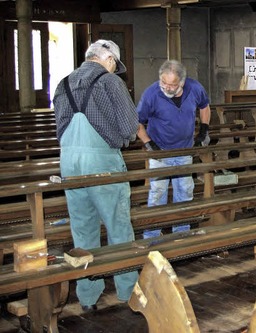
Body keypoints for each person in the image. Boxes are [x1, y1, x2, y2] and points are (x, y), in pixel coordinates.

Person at [52, 39, 139, 312]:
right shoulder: (111, 82)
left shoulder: (62, 83)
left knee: (82, 228)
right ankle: (128, 291)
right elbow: (130, 128)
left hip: (68, 161)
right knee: (118, 226)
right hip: (101, 160)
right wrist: (120, 140)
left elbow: (59, 128)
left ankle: (87, 295)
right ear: (110, 60)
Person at [137, 60, 211, 239]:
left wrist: (204, 130)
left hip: (184, 150)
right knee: (158, 193)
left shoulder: (194, 88)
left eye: (172, 85)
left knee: (185, 192)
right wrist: (149, 143)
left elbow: (204, 106)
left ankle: (181, 234)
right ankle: (152, 235)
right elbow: (137, 122)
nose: (167, 88)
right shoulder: (151, 94)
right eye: (164, 83)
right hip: (160, 151)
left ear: (182, 82)